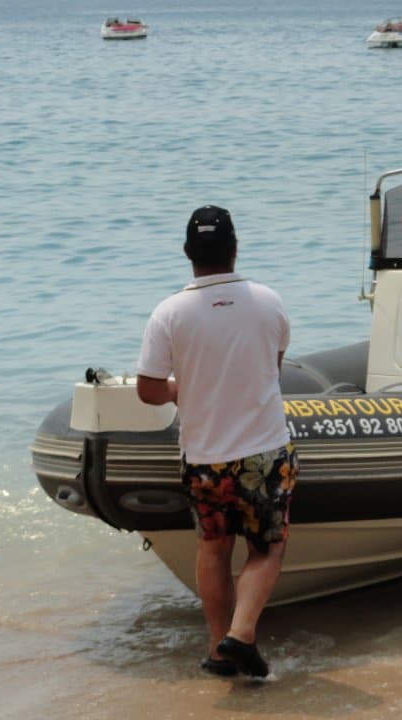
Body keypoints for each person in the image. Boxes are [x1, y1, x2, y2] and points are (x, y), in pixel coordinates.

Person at [136, 205, 295, 679]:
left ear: (188, 253)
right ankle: (242, 633)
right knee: (268, 547)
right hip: (265, 450)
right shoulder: (269, 301)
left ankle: (217, 648)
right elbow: (274, 364)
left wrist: (177, 390)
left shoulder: (169, 313)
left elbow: (147, 390)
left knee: (213, 546)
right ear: (235, 249)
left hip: (205, 456)